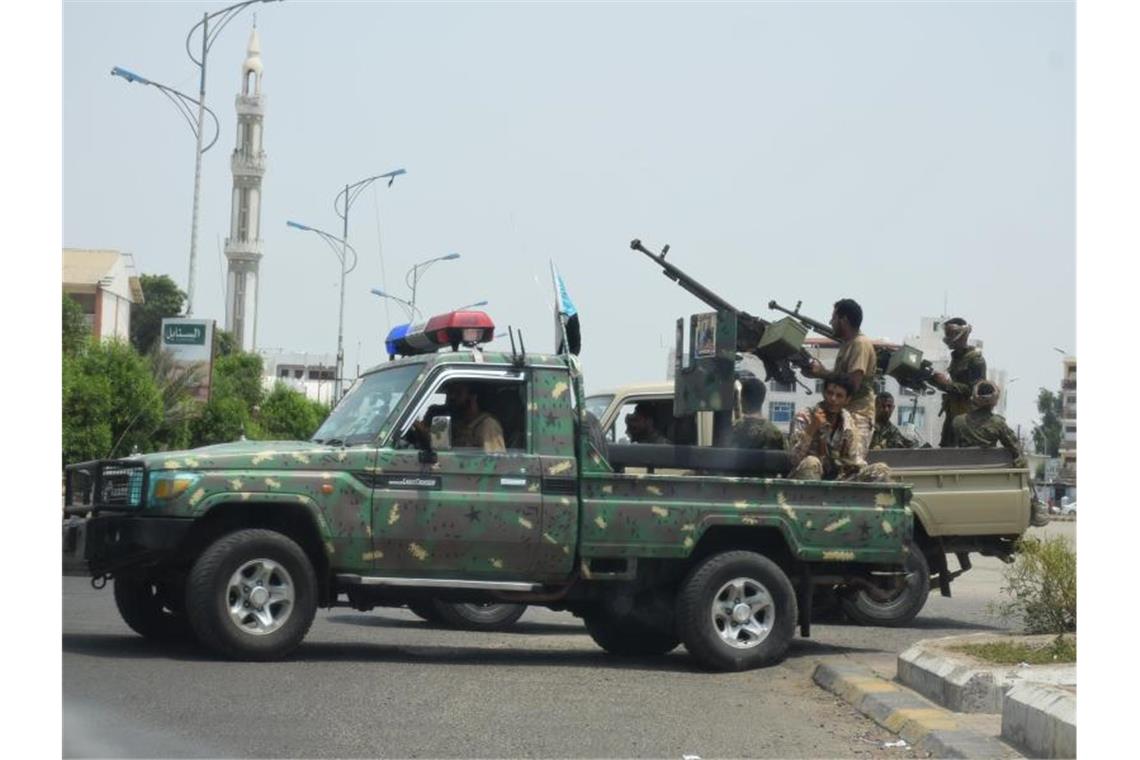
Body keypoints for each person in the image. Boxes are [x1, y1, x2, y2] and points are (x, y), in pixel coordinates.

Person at [801, 298, 877, 454]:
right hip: (846, 413)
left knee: (852, 461)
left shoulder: (860, 344)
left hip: (858, 415)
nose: (831, 322)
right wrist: (818, 373)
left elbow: (852, 384)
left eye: (834, 318)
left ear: (844, 320)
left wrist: (822, 372)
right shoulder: (848, 344)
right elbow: (841, 378)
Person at [787, 373, 890, 482]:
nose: (833, 399)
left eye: (839, 396)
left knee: (880, 469)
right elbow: (793, 459)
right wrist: (812, 428)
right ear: (823, 393)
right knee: (812, 462)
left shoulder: (848, 422)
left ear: (847, 400)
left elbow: (856, 460)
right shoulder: (804, 417)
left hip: (838, 478)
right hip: (804, 478)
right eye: (830, 393)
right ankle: (814, 498)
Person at [930, 318, 986, 447]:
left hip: (967, 416)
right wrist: (934, 380)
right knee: (946, 449)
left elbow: (975, 391)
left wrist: (947, 384)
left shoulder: (976, 360)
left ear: (962, 336)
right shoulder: (956, 358)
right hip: (952, 412)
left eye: (951, 334)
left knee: (965, 452)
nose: (948, 339)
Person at [412, 382, 506, 453]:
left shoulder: (487, 425)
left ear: (473, 398)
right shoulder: (458, 423)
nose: (452, 397)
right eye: (450, 392)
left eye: (458, 393)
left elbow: (495, 464)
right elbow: (439, 446)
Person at [950, 381, 1025, 467]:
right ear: (995, 401)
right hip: (991, 470)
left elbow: (949, 448)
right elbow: (1015, 449)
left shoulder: (958, 421)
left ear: (974, 398)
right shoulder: (998, 422)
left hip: (961, 470)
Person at [729, 377, 786, 449]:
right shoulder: (775, 434)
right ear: (762, 399)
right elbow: (784, 458)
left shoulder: (732, 429)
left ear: (742, 399)